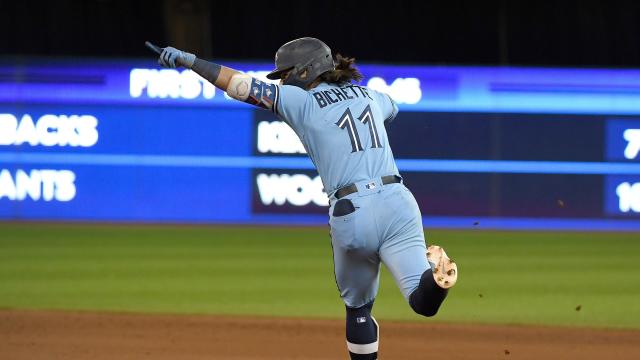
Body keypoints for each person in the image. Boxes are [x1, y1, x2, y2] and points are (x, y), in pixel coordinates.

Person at [156, 37, 458, 360]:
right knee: (421, 302)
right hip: (399, 203)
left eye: (285, 74)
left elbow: (239, 85)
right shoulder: (371, 95)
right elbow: (391, 108)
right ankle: (436, 278)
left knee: (358, 309)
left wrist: (191, 62)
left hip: (351, 211)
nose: (283, 81)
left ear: (304, 71)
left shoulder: (299, 102)